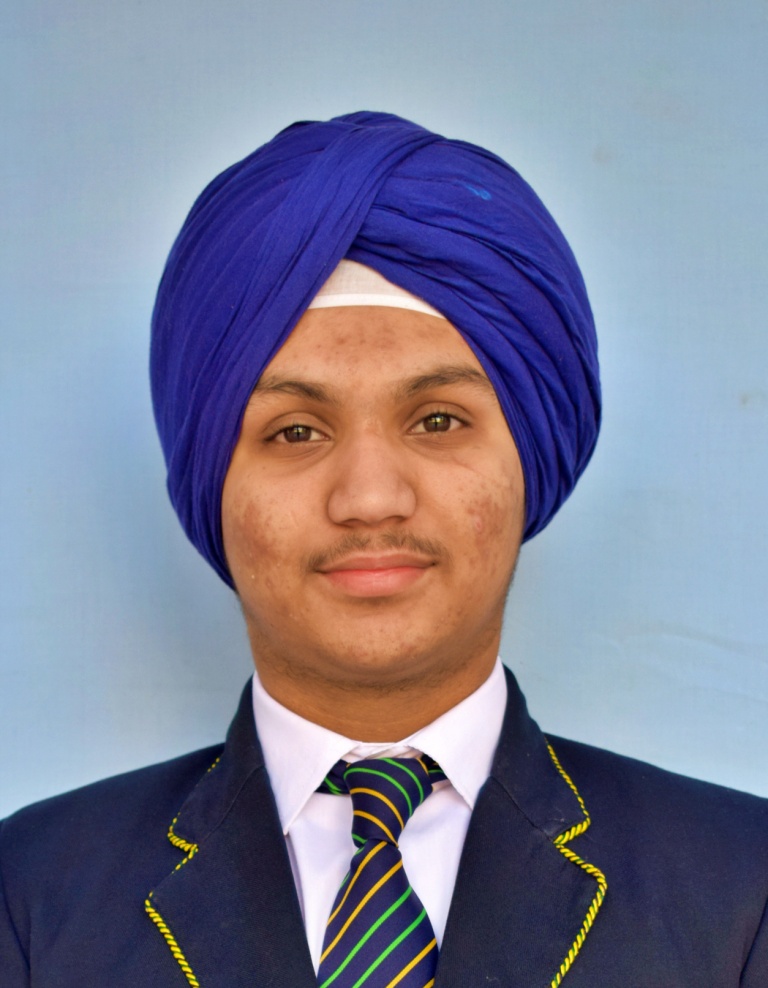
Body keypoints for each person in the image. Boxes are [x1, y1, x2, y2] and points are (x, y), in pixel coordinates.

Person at [1, 111, 766, 988]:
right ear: (211, 477)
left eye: (437, 421)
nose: (369, 498)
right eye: (295, 431)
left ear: (530, 462)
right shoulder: (29, 899)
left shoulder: (742, 895)